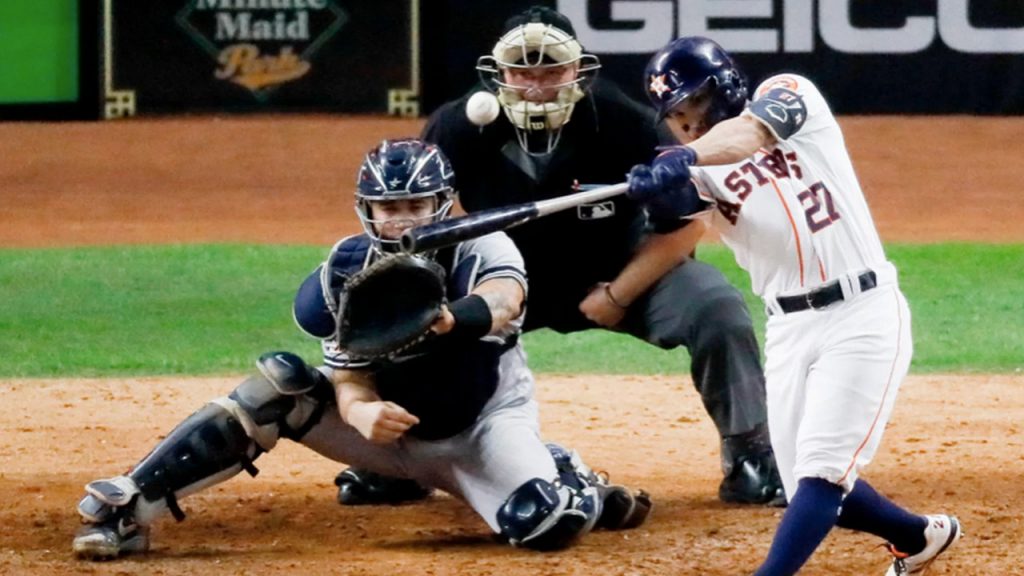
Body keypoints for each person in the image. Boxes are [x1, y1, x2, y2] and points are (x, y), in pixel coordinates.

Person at [70, 138, 651, 560]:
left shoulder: (481, 247)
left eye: (416, 205)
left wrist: (446, 318)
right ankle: (131, 504)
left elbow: (505, 300)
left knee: (546, 523)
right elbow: (348, 376)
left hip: (481, 432)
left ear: (442, 204)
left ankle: (569, 477)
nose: (402, 220)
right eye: (389, 208)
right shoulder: (345, 272)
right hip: (388, 436)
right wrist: (361, 412)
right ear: (367, 210)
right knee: (280, 385)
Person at [335, 5, 785, 509]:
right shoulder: (459, 128)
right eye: (521, 71)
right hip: (500, 283)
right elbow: (424, 224)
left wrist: (620, 293)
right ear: (498, 73)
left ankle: (750, 454)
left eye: (551, 69)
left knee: (714, 306)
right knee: (415, 313)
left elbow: (685, 226)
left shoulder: (624, 122)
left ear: (578, 70)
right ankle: (402, 459)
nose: (536, 85)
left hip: (612, 274)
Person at [626, 37, 961, 575]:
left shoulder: (789, 95)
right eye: (676, 117)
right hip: (788, 328)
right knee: (806, 479)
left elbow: (746, 136)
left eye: (695, 106)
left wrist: (683, 156)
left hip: (862, 311)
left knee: (823, 474)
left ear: (724, 87)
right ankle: (917, 535)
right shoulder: (702, 172)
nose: (688, 125)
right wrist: (657, 190)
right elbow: (677, 211)